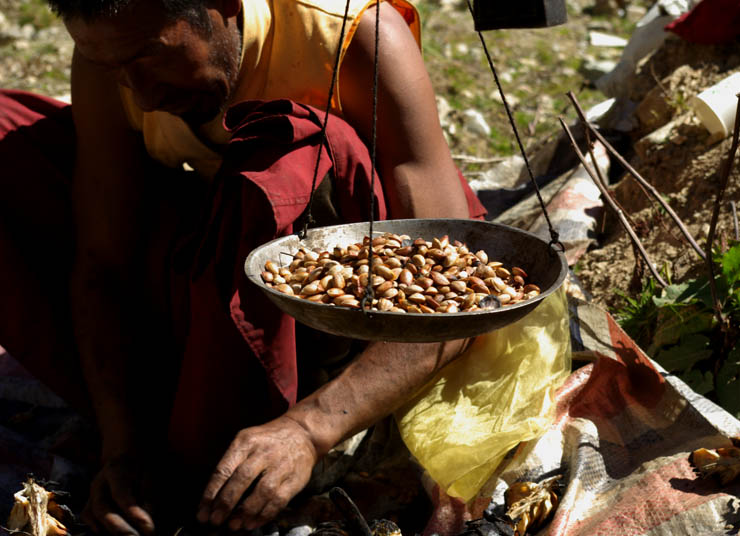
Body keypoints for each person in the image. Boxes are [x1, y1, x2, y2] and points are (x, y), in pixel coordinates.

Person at [0, 0, 486, 534]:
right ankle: (172, 430)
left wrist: (309, 430)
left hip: (352, 299)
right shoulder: (113, 56)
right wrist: (122, 446)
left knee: (288, 149)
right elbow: (102, 263)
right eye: (116, 69)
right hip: (218, 255)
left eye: (152, 56)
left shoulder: (355, 39)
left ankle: (227, 435)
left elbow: (453, 290)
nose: (140, 93)